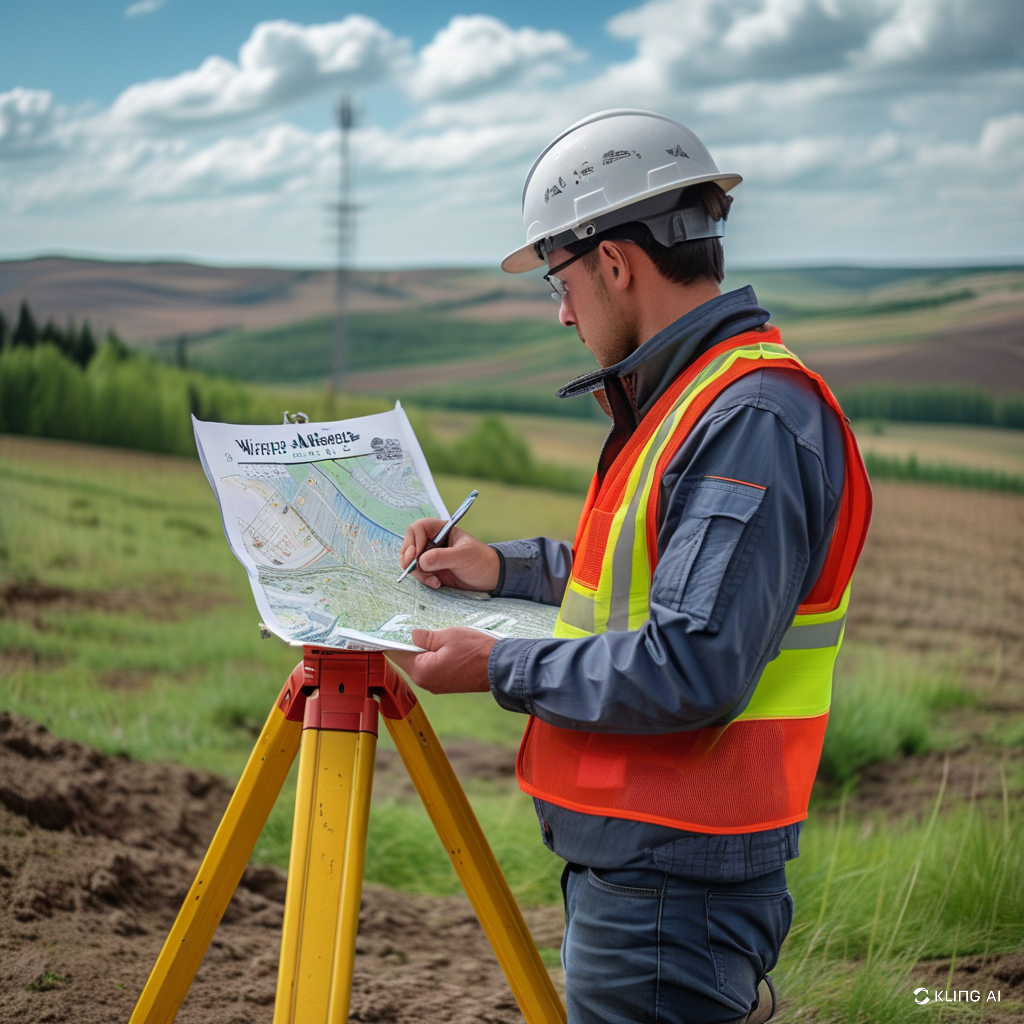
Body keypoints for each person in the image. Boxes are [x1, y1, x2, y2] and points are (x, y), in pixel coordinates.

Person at [388, 109, 872, 1024]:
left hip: (672, 890)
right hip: (649, 876)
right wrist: (497, 567)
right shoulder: (696, 398)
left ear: (615, 262)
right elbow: (647, 577)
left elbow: (692, 658)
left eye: (561, 281)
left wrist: (496, 666)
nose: (564, 310)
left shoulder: (750, 417)